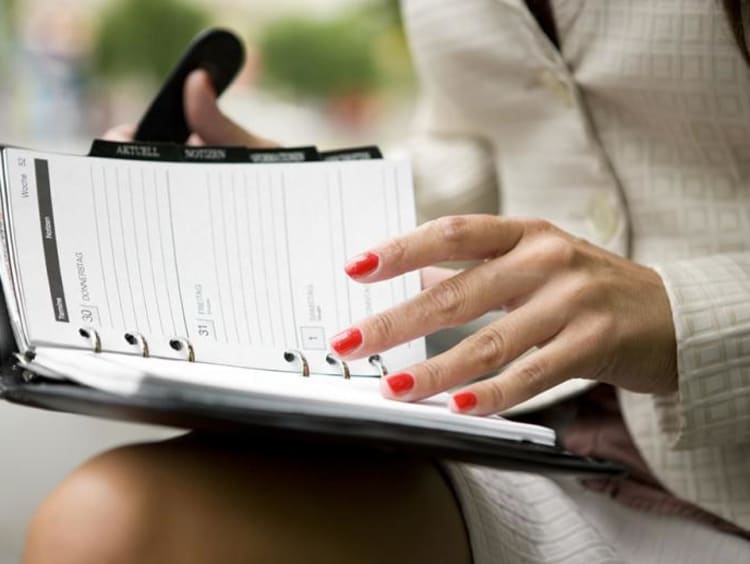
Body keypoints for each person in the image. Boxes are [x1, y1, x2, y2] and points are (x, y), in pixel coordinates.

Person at [22, 1, 750, 562]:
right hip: (538, 442)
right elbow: (475, 148)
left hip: (730, 483)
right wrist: (307, 206)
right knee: (109, 523)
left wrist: (675, 315)